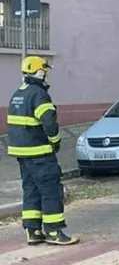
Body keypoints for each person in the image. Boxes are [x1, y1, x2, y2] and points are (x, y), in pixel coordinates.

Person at [6, 56, 79, 246]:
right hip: (39, 152)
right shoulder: (39, 94)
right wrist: (55, 142)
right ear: (39, 72)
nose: (45, 75)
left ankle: (33, 231)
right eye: (44, 71)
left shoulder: (17, 95)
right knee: (51, 190)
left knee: (31, 190)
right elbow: (49, 123)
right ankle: (54, 231)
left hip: (21, 154)